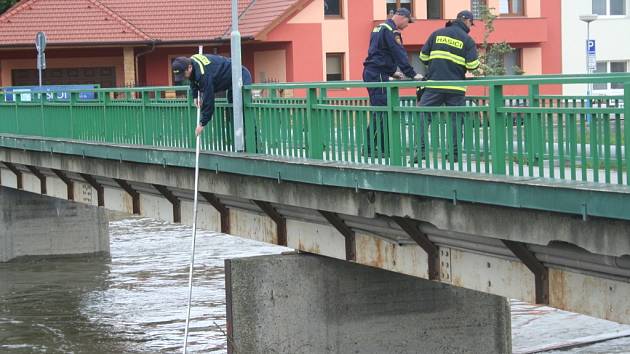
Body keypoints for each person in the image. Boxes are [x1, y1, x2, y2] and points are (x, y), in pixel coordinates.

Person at [417, 10, 479, 162]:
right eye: (471, 23)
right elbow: (472, 66)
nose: (471, 26)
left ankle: (420, 153)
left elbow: (423, 57)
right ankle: (454, 155)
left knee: (423, 116)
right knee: (456, 120)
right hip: (456, 87)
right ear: (466, 20)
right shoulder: (467, 40)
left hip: (434, 85)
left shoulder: (436, 34)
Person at [363, 8, 422, 156]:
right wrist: (412, 74)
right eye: (408, 21)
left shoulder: (379, 28)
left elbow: (378, 53)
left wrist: (392, 72)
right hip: (378, 75)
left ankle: (375, 148)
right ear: (401, 17)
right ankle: (377, 149)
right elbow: (399, 53)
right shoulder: (391, 31)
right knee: (383, 112)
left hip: (374, 72)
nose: (407, 25)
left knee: (380, 111)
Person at [171, 54, 252, 136]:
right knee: (233, 113)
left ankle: (252, 142)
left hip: (240, 76)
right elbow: (192, 79)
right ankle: (238, 144)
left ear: (190, 67)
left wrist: (202, 123)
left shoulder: (203, 74)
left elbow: (208, 99)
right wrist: (195, 96)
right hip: (230, 81)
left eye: (183, 75)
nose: (184, 78)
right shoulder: (191, 62)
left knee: (244, 114)